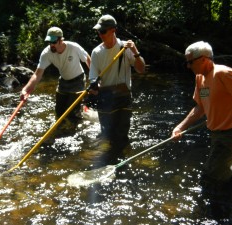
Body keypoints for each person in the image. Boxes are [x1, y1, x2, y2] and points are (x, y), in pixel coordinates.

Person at [171, 41, 232, 221]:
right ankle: (230, 214)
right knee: (229, 179)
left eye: (191, 61)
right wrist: (180, 127)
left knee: (210, 178)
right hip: (217, 136)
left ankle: (204, 217)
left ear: (205, 59)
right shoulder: (200, 78)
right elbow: (199, 108)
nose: (188, 65)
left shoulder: (223, 73)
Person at [88, 14, 145, 159]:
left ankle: (122, 162)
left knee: (122, 135)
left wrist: (136, 52)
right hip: (105, 98)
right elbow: (93, 77)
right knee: (108, 135)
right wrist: (94, 85)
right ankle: (110, 160)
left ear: (113, 30)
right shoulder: (96, 52)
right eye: (98, 31)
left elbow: (141, 69)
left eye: (103, 31)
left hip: (123, 97)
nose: (100, 34)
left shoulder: (125, 48)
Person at [21, 26, 91, 123]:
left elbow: (88, 60)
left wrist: (95, 79)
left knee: (72, 114)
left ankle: (79, 119)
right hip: (63, 81)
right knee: (59, 113)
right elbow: (37, 74)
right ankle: (78, 111)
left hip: (78, 80)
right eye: (49, 42)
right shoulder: (47, 53)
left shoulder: (74, 47)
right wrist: (25, 89)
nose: (51, 45)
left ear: (60, 40)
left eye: (53, 42)